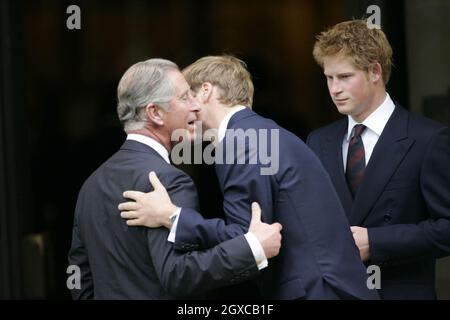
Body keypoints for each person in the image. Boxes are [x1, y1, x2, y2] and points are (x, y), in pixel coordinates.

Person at [118, 55, 379, 300]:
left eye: (187, 96)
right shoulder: (255, 132)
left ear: (206, 91)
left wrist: (172, 216)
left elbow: (246, 237)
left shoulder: (242, 140)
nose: (185, 109)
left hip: (320, 291)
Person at [67, 58, 283, 299]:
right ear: (155, 113)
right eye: (184, 97)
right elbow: (178, 275)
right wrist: (252, 248)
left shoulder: (91, 185)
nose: (195, 106)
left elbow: (79, 277)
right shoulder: (168, 180)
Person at [306, 19, 450, 299]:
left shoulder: (428, 139)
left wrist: (375, 241)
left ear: (374, 71)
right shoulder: (318, 141)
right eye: (328, 77)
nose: (334, 88)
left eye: (345, 77)